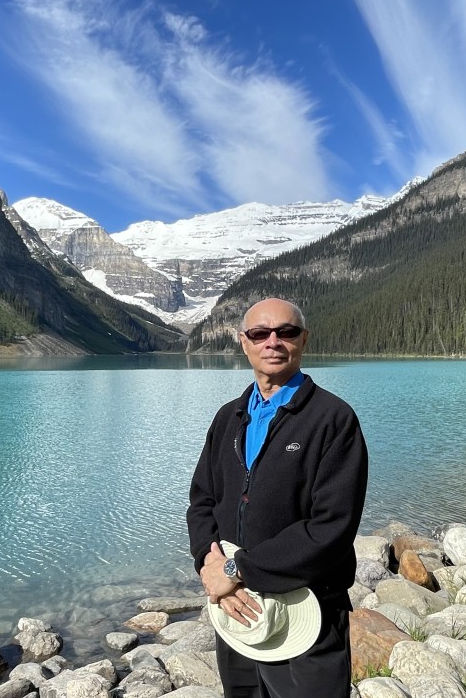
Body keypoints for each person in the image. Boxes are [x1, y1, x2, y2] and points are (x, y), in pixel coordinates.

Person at [187, 297, 368, 698]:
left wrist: (235, 570)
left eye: (286, 332)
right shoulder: (228, 416)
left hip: (309, 608)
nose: (273, 341)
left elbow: (331, 527)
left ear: (303, 340)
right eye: (260, 333)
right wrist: (208, 560)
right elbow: (202, 501)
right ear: (244, 342)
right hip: (237, 606)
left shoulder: (333, 419)